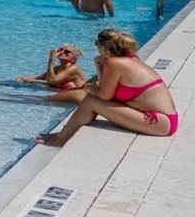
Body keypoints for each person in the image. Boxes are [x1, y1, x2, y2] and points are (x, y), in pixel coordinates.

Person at [38, 28, 178, 145]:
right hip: (165, 120)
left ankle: (60, 139)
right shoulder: (130, 58)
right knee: (92, 99)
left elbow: (104, 95)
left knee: (90, 101)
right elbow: (107, 90)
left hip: (159, 123)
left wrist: (90, 88)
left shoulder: (115, 63)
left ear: (103, 48)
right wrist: (99, 68)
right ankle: (65, 133)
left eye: (96, 44)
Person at [19, 44, 87, 100]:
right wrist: (24, 79)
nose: (62, 52)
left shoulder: (74, 69)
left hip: (81, 98)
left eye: (67, 51)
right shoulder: (57, 69)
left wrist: (51, 59)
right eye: (60, 50)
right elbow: (38, 78)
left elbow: (51, 80)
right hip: (65, 95)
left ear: (73, 59)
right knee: (29, 83)